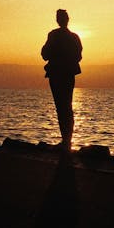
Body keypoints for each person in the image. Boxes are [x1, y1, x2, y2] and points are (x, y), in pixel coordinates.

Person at [41, 9, 82, 152]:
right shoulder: (74, 37)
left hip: (57, 74)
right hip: (68, 75)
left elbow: (44, 54)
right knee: (67, 107)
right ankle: (67, 141)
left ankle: (66, 141)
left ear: (58, 20)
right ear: (67, 19)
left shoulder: (53, 35)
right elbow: (78, 56)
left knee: (61, 107)